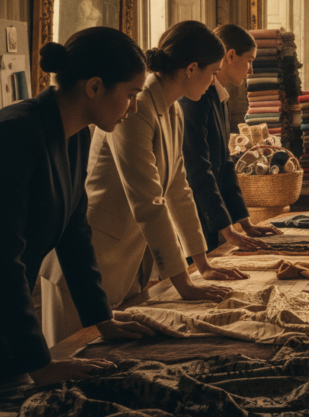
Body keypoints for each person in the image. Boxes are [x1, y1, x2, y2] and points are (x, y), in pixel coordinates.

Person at [0, 28, 156, 409]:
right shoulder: (12, 134)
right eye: (131, 94)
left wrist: (101, 318)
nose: (134, 107)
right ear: (94, 87)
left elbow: (75, 232)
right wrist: (40, 363)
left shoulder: (74, 134)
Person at [41, 21, 248, 346]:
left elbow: (178, 189)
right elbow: (148, 199)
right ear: (192, 69)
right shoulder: (134, 106)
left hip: (127, 262)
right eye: (212, 73)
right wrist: (185, 285)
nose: (212, 83)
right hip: (86, 263)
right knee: (74, 359)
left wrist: (202, 263)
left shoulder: (174, 111)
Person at [179, 24, 281, 252]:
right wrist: (228, 230)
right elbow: (198, 167)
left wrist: (245, 223)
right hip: (191, 211)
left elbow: (224, 165)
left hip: (209, 213)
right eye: (250, 61)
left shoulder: (220, 97)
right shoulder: (196, 97)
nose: (251, 70)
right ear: (231, 55)